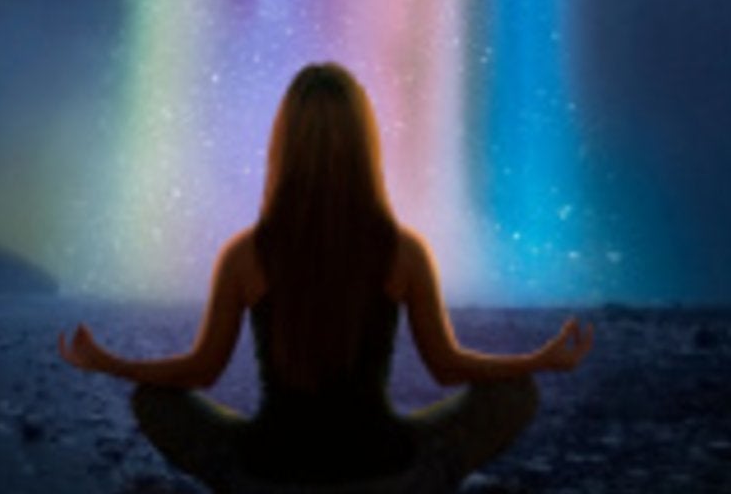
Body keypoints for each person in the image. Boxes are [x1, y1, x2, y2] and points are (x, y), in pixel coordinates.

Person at [59, 62, 593, 492]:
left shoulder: (247, 254)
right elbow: (447, 367)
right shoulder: (402, 251)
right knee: (513, 392)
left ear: (284, 145)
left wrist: (111, 363)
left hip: (266, 473)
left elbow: (201, 371)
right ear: (366, 146)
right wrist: (538, 361)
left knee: (152, 399)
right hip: (387, 472)